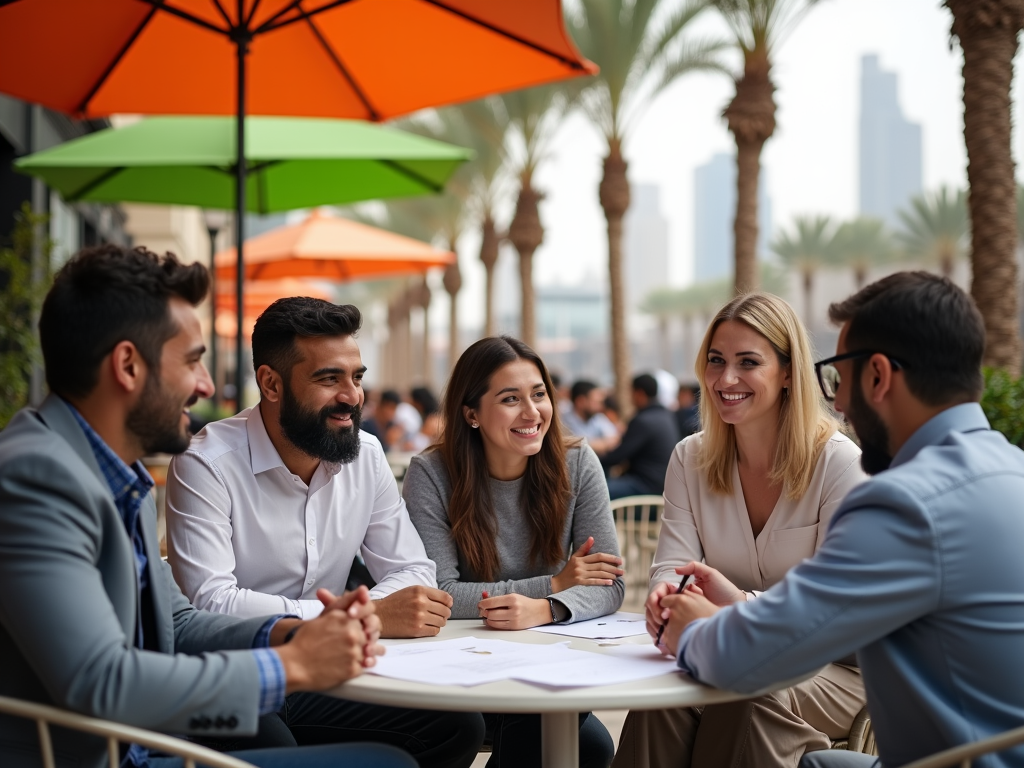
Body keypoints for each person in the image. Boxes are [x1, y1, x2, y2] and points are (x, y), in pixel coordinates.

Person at [0, 244, 415, 768]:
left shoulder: (110, 471)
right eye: (193, 361)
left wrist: (293, 633)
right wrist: (291, 668)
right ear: (128, 365)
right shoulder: (36, 478)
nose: (206, 385)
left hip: (146, 739)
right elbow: (100, 681)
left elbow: (179, 625)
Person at [656, 272, 1024, 768]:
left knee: (739, 692)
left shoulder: (906, 503)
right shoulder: (1010, 470)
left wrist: (693, 630)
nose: (837, 400)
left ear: (878, 375)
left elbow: (760, 650)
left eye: (837, 375)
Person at [165, 298, 483, 767]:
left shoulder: (366, 455)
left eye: (356, 377)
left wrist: (358, 619)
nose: (353, 396)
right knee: (274, 749)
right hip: (238, 670)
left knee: (458, 725)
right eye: (329, 378)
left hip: (330, 669)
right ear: (270, 383)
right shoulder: (205, 463)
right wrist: (362, 617)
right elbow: (213, 602)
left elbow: (414, 570)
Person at [614, 293, 868, 768]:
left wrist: (739, 608)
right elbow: (672, 565)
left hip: (837, 669)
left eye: (748, 362)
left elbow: (842, 617)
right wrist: (667, 599)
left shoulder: (838, 464)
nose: (725, 379)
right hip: (732, 651)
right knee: (665, 696)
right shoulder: (689, 458)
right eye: (716, 361)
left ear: (789, 372)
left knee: (746, 685)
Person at [402, 335, 624, 768]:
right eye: (510, 399)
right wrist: (556, 585)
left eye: (539, 394)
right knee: (567, 735)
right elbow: (440, 592)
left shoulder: (577, 463)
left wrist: (546, 608)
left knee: (591, 746)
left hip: (546, 660)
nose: (532, 412)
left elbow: (609, 581)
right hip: (459, 669)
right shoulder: (431, 473)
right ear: (471, 414)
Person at [599, 374, 680, 499]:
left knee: (595, 492)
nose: (630, 398)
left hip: (646, 486)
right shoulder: (667, 416)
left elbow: (617, 457)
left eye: (631, 393)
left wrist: (593, 459)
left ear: (639, 393)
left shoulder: (643, 420)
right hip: (666, 488)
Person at [562, 379, 620, 453]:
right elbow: (572, 446)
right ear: (581, 401)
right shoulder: (564, 421)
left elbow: (615, 438)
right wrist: (603, 444)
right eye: (596, 402)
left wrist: (590, 444)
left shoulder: (597, 417)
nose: (600, 407)